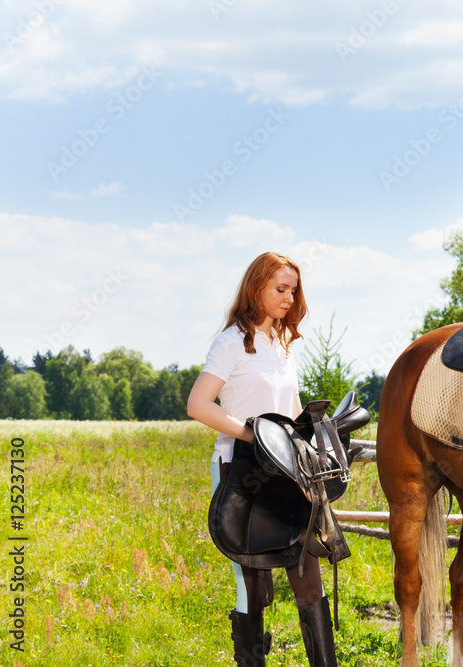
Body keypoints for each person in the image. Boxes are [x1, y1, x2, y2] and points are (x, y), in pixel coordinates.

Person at [187, 251, 337, 667]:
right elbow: (198, 404)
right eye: (280, 289)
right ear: (257, 289)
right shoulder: (231, 341)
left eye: (293, 290)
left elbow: (289, 408)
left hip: (288, 473)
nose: (289, 297)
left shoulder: (284, 343)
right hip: (241, 473)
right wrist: (252, 433)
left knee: (309, 578)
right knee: (251, 587)